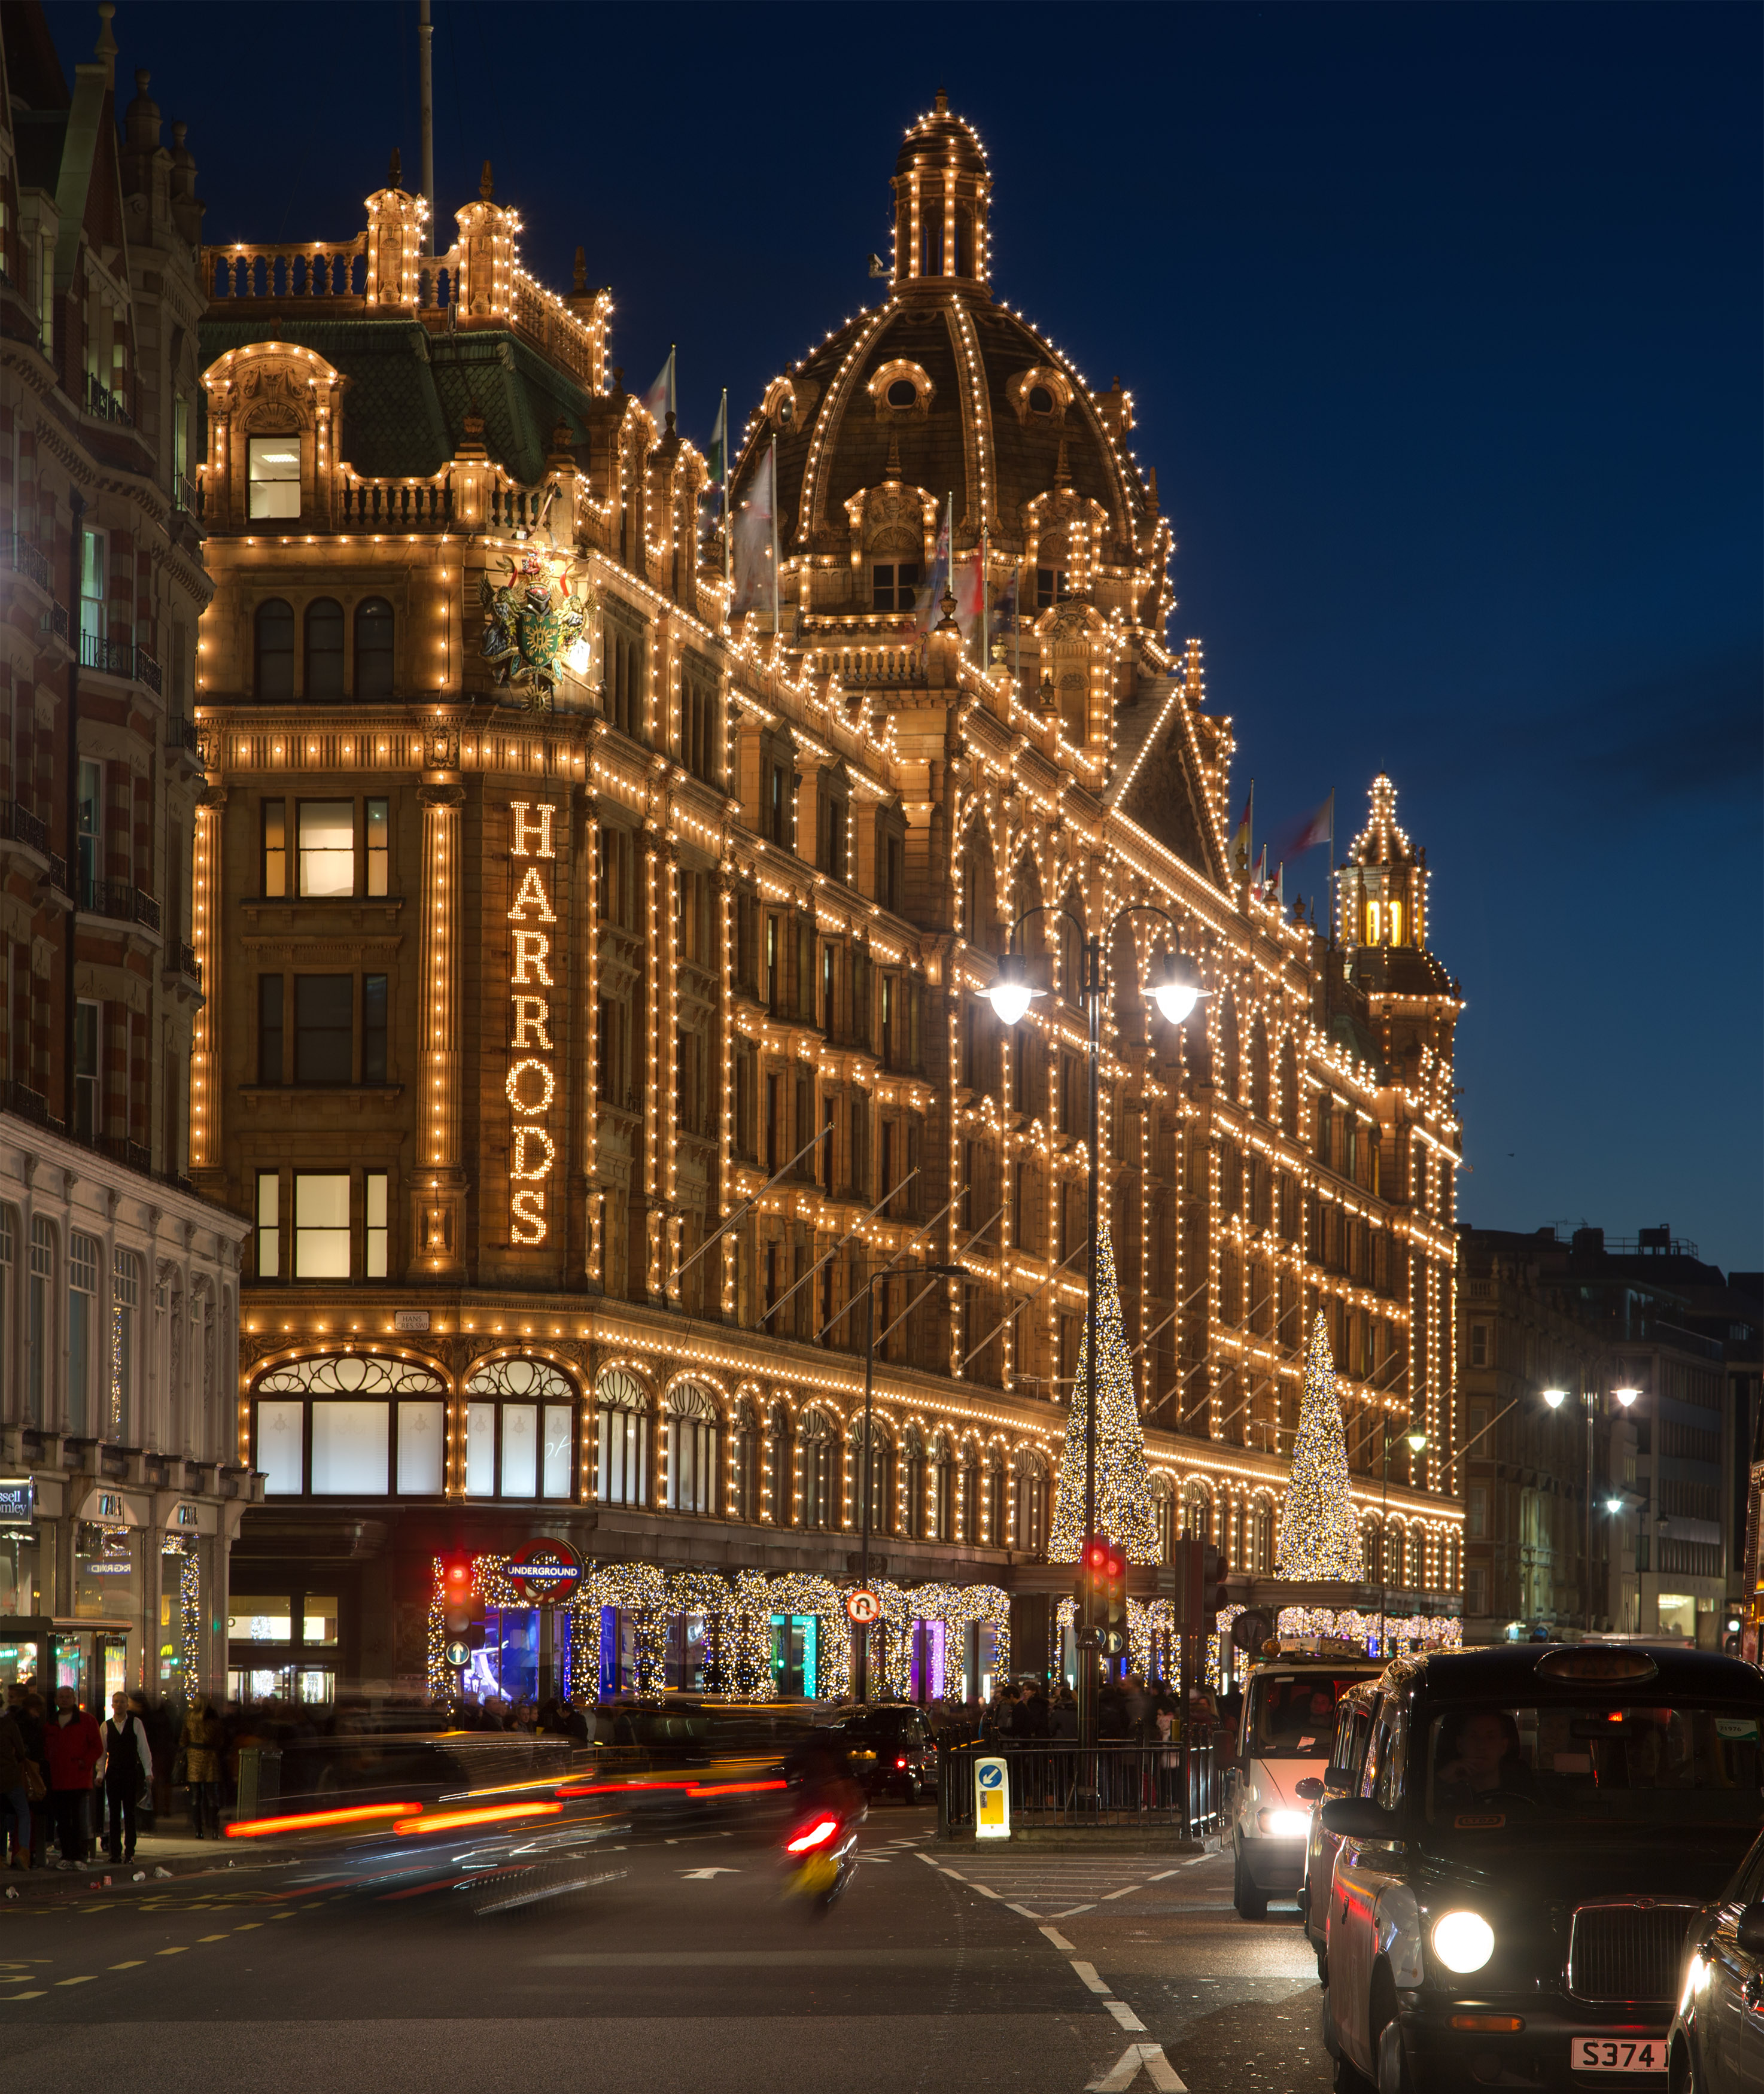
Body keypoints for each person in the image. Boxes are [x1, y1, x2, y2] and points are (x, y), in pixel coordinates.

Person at [41, 1685, 103, 1868]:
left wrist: (84, 1763)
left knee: (76, 1818)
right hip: (57, 1779)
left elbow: (97, 1747)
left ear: (74, 1699)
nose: (65, 1700)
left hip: (77, 1779)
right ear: (56, 1701)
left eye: (68, 1696)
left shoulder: (87, 1721)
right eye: (62, 1697)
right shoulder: (50, 1723)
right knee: (62, 1819)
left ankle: (78, 1854)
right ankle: (67, 1854)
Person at [1434, 1709, 1537, 1810]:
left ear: (1503, 1747)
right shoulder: (1441, 1792)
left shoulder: (1524, 1789)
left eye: (1490, 1737)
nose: (1482, 1746)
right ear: (1460, 1745)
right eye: (1474, 1737)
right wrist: (1440, 1781)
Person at [101, 1691, 153, 1864]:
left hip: (131, 1772)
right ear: (112, 1705)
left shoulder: (136, 1723)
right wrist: (100, 1773)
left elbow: (143, 1749)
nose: (119, 1705)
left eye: (123, 1702)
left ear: (127, 1705)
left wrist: (148, 1771)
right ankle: (115, 1852)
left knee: (129, 1813)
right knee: (115, 1814)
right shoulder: (106, 1726)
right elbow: (102, 1753)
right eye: (116, 1702)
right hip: (114, 1772)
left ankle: (130, 1851)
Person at [178, 1700, 223, 1838]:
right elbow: (220, 1740)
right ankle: (214, 1829)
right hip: (211, 1760)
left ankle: (198, 1830)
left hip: (194, 1759)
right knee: (212, 1796)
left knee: (196, 1796)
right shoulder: (214, 1721)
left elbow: (183, 1740)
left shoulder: (189, 1719)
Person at [0, 1696, 31, 1872]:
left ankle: (1, 1855)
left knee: (2, 1816)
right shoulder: (8, 1724)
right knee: (23, 1812)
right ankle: (22, 1852)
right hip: (9, 1776)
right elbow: (20, 1751)